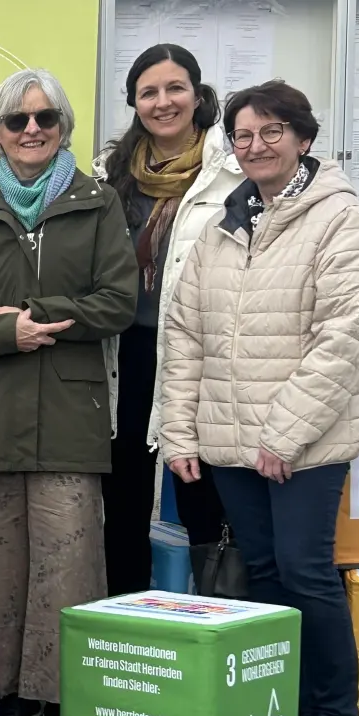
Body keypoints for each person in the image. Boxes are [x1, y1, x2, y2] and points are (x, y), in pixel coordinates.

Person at [159, 80, 359, 716]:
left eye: (271, 131)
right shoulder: (223, 222)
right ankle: (285, 712)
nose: (256, 146)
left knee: (308, 573)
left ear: (303, 138)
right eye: (242, 136)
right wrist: (178, 433)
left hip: (303, 441)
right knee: (267, 574)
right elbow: (184, 335)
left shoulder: (339, 216)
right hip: (227, 440)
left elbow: (346, 335)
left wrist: (284, 434)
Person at [0, 68, 136, 716]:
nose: (33, 130)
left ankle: (58, 693)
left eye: (46, 118)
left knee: (68, 560)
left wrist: (38, 314)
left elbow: (119, 301)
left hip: (70, 413)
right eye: (18, 121)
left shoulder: (96, 202)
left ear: (65, 128)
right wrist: (3, 332)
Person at [95, 45, 240, 593]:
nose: (163, 102)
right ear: (133, 103)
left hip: (201, 356)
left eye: (175, 88)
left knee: (203, 489)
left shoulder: (232, 173)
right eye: (148, 92)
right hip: (126, 354)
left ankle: (216, 623)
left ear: (198, 95)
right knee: (125, 494)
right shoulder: (111, 176)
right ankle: (128, 625)